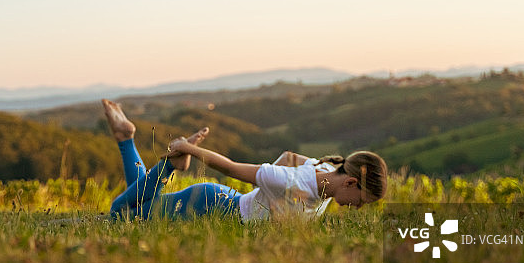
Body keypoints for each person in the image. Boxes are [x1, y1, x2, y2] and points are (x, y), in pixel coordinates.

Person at [102, 99, 388, 221]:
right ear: (350, 182)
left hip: (227, 201)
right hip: (210, 207)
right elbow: (229, 167)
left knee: (136, 200)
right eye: (361, 200)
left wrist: (267, 197)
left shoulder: (328, 171)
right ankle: (171, 163)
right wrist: (187, 150)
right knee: (119, 213)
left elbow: (290, 156)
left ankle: (125, 138)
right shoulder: (290, 183)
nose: (358, 208)